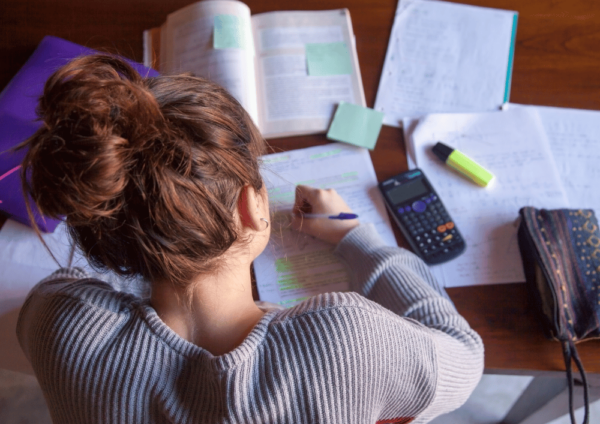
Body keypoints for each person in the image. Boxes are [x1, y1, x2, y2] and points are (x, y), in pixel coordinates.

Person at [16, 55, 483, 424]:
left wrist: (153, 243)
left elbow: (68, 289)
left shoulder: (62, 325)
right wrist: (354, 234)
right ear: (250, 208)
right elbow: (464, 360)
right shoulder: (345, 341)